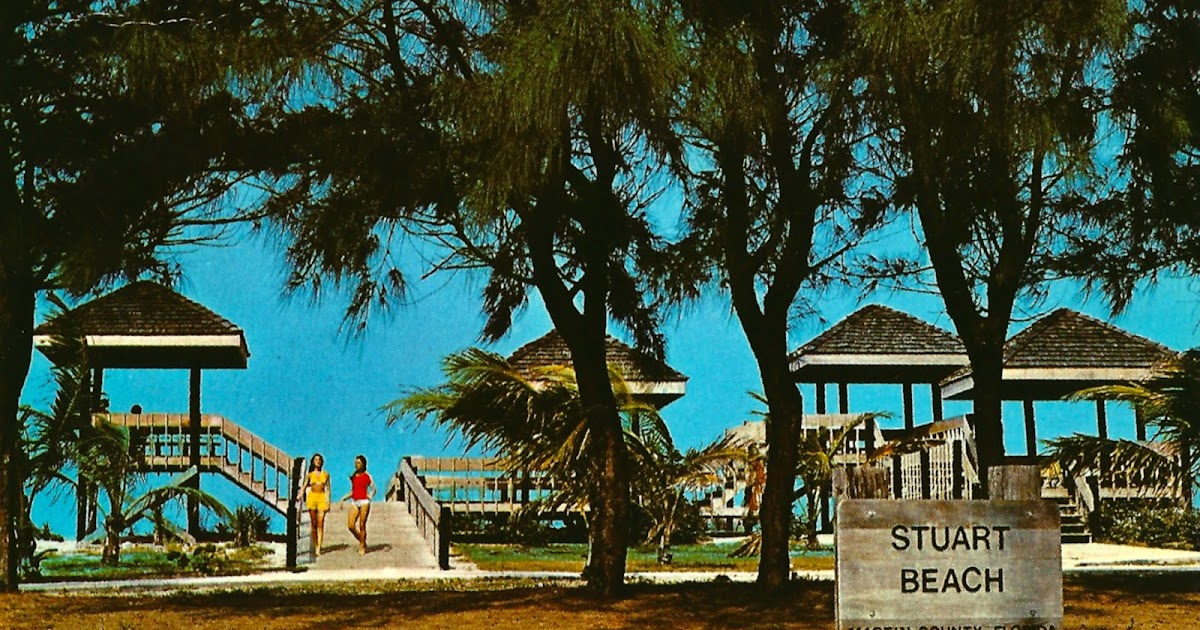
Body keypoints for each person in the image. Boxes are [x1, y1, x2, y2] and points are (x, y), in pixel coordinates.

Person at [341, 454, 376, 555]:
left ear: (363, 464)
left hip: (364, 502)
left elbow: (373, 489)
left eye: (359, 463)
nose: (356, 465)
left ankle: (362, 546)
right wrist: (344, 498)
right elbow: (353, 491)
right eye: (355, 463)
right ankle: (362, 541)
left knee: (362, 525)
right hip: (355, 501)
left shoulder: (367, 476)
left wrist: (370, 496)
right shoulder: (354, 476)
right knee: (351, 525)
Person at [303, 453, 331, 556]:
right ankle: (315, 544)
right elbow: (304, 486)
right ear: (313, 462)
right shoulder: (309, 475)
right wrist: (300, 494)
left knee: (321, 522)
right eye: (316, 460)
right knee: (314, 523)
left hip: (322, 497)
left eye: (319, 460)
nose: (318, 461)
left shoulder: (326, 474)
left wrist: (328, 502)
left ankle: (319, 547)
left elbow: (328, 489)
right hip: (312, 497)